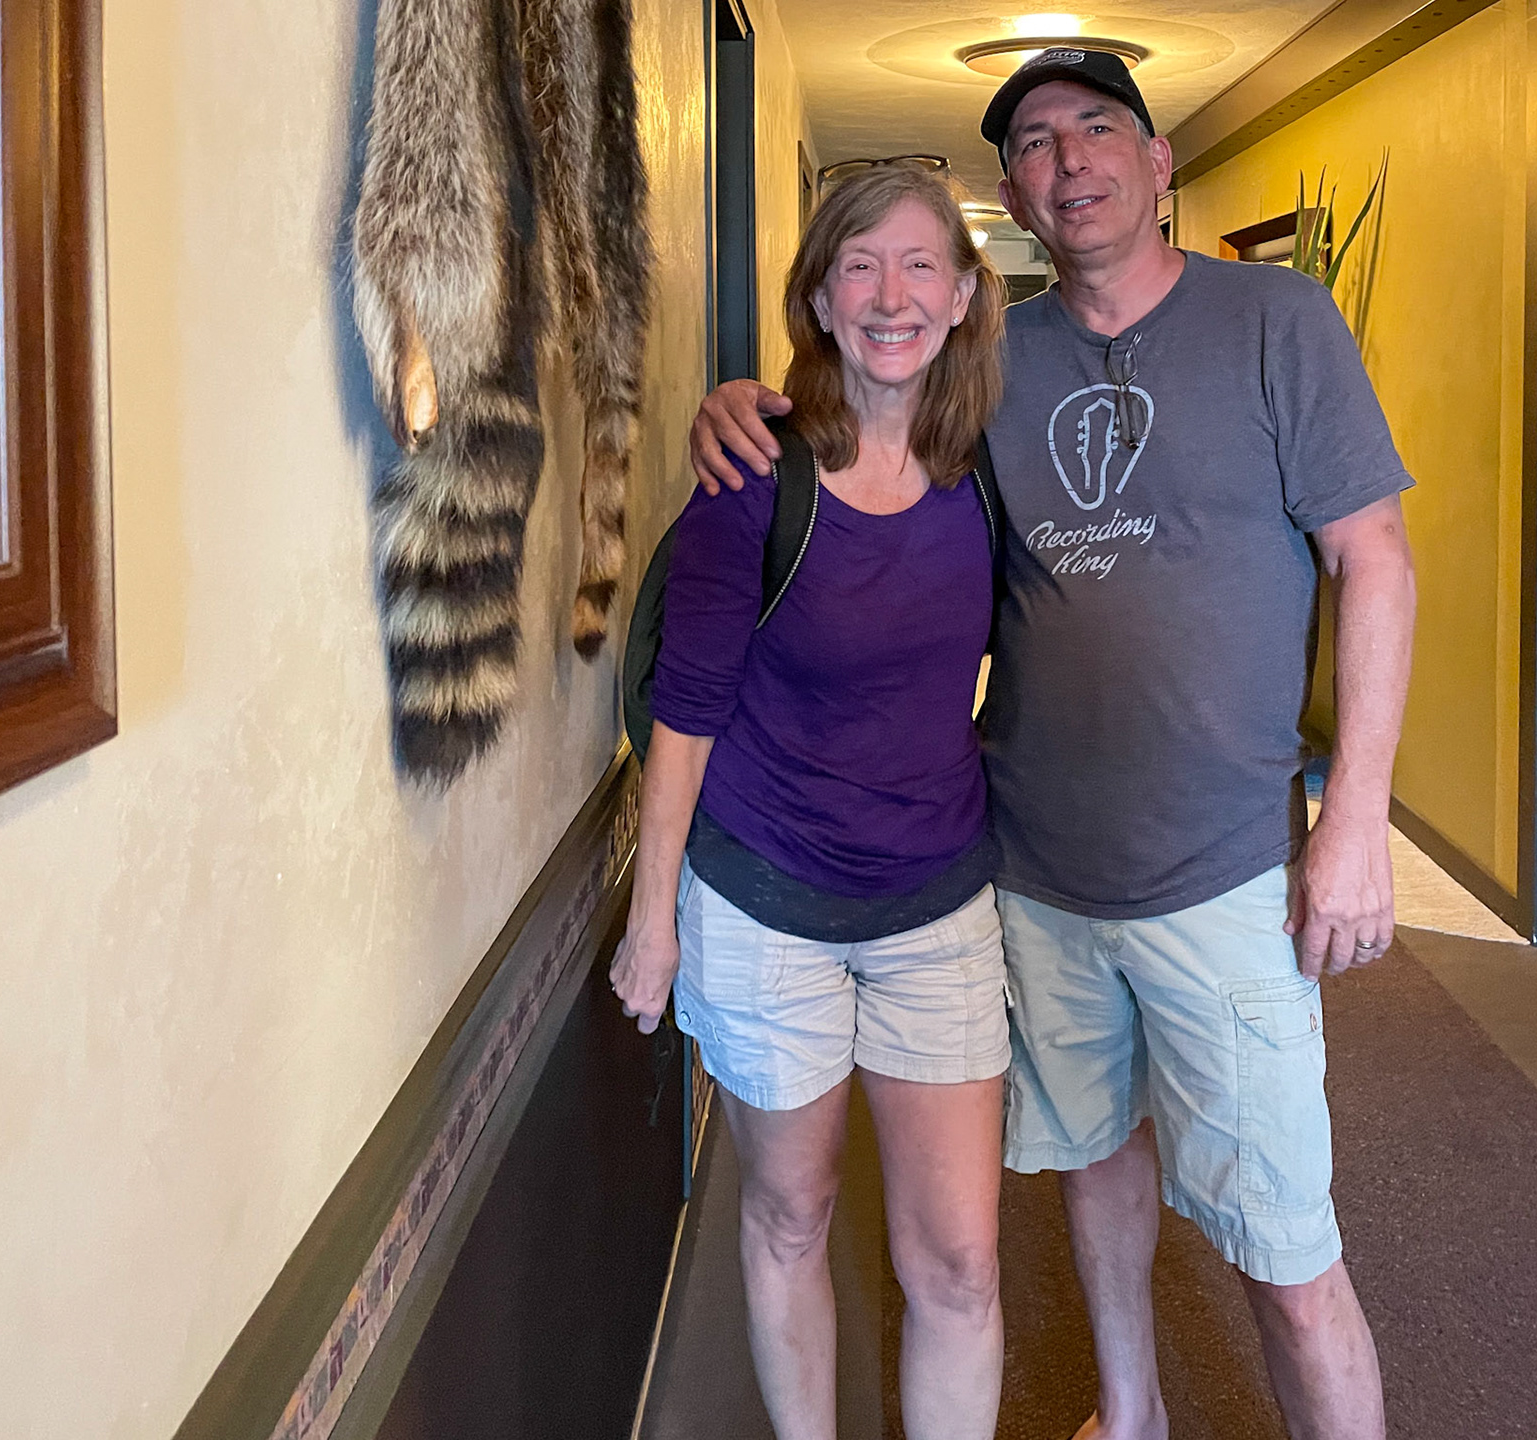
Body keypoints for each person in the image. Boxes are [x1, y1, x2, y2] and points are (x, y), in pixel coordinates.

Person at [685, 49, 1418, 1440]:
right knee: (1093, 1170)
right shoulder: (992, 358)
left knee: (1289, 1245)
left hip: (1221, 878)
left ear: (1156, 163)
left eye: (1098, 127)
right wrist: (740, 406)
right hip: (1030, 873)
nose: (1069, 158)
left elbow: (1373, 562)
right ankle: (1129, 1413)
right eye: (1033, 142)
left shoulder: (1280, 319)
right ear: (1013, 197)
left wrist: (1356, 818)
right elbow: (864, 437)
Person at [608, 162, 1011, 1440]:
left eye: (918, 267)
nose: (891, 294)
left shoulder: (989, 472)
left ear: (961, 298)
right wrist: (652, 918)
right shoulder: (754, 479)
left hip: (937, 906)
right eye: (859, 267)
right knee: (790, 1215)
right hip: (767, 903)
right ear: (822, 303)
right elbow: (687, 709)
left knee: (957, 1261)